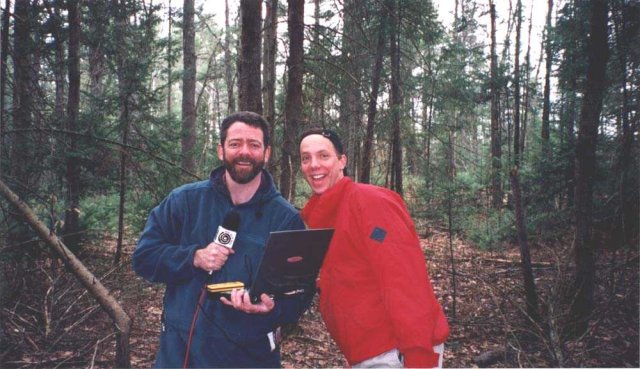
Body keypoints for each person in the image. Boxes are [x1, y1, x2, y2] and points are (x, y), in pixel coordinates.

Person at [133, 111, 312, 368]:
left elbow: (300, 294)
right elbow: (144, 258)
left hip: (250, 355)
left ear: (267, 153)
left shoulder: (286, 219)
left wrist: (271, 309)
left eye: (254, 145)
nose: (244, 152)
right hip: (182, 351)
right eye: (235, 143)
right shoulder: (184, 201)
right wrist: (193, 257)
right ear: (221, 150)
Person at [298, 128, 450, 368]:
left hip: (394, 352)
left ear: (342, 161)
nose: (314, 165)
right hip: (366, 351)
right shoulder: (327, 213)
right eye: (306, 158)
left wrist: (417, 354)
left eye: (323, 156)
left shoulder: (369, 203)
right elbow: (353, 273)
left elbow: (405, 279)